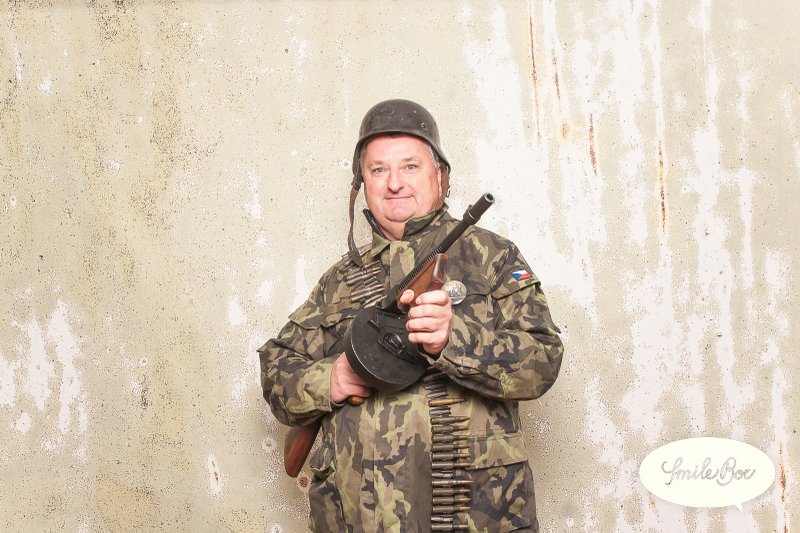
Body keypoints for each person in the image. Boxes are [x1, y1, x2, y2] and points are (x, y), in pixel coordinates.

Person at [259, 99, 563, 532]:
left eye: (410, 166)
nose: (394, 183)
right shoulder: (340, 280)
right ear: (361, 183)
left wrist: (453, 341)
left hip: (475, 517)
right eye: (378, 169)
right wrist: (330, 379)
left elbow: (544, 360)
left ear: (440, 176)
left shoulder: (491, 256)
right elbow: (276, 368)